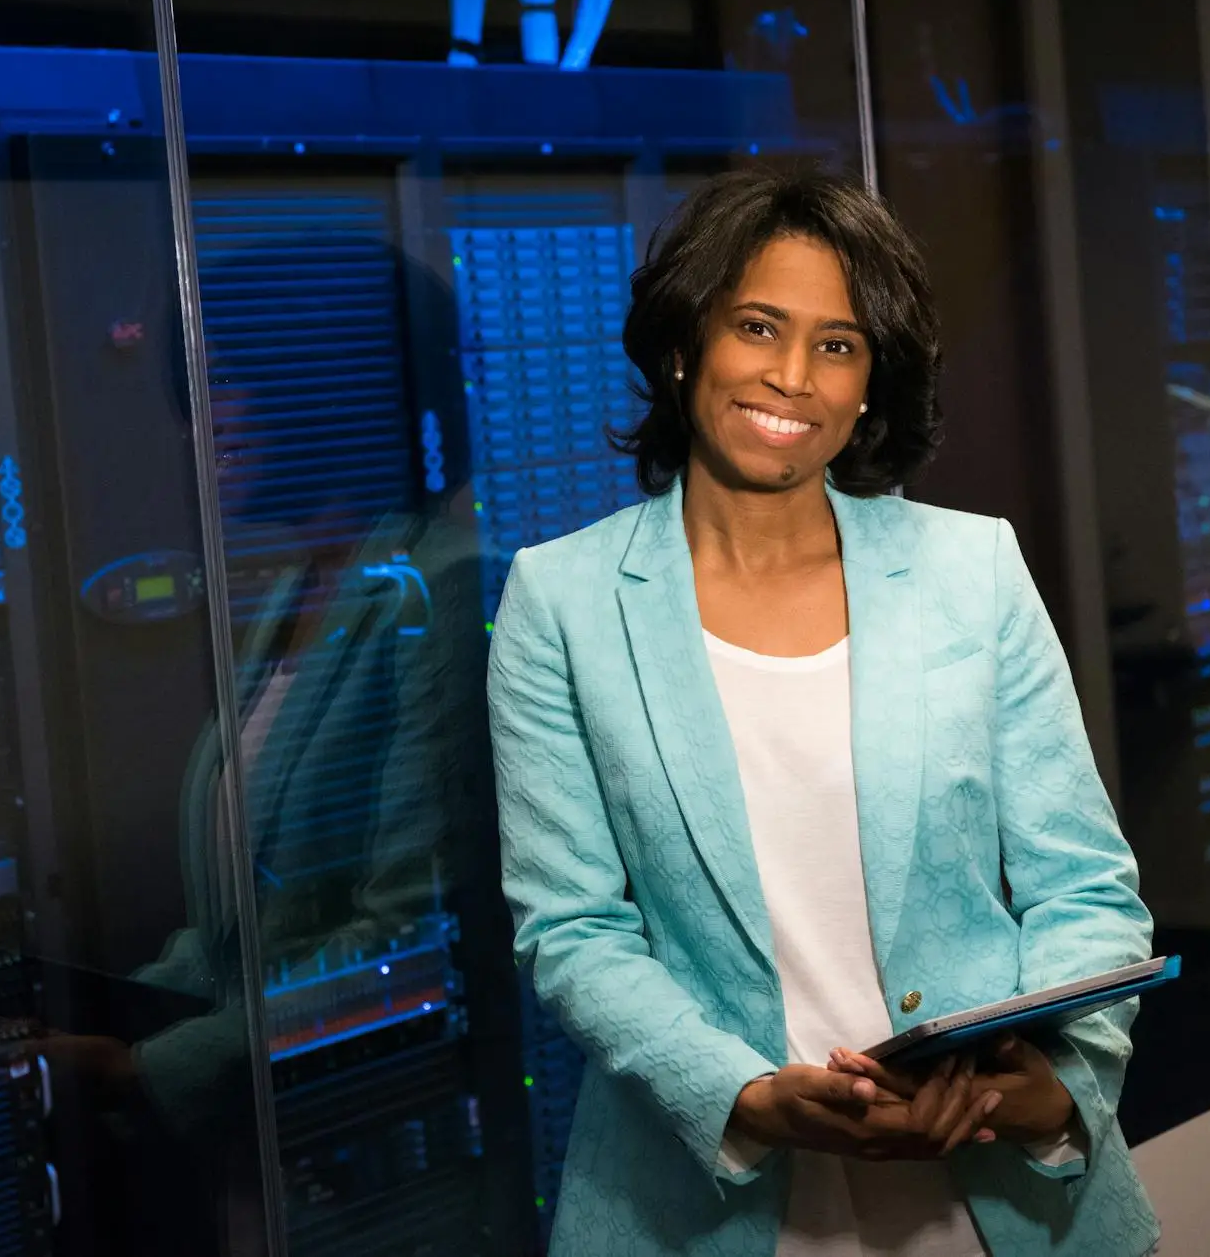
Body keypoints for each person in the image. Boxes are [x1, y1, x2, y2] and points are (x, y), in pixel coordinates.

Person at [486, 166, 1158, 1256]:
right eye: (758, 326)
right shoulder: (559, 602)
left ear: (868, 384)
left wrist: (1049, 1084)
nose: (792, 377)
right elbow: (572, 928)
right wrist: (744, 1094)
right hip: (708, 1201)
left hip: (991, 1192)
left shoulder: (970, 569)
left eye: (837, 344)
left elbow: (1081, 883)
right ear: (682, 345)